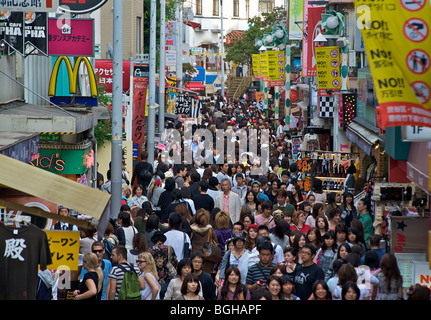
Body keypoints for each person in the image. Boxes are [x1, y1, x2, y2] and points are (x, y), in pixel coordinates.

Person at [147, 231, 178, 299]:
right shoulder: (169, 249)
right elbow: (175, 262)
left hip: (154, 281)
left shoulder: (150, 251)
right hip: (167, 279)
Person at [190, 209, 219, 275]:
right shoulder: (210, 230)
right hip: (208, 257)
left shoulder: (192, 230)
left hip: (195, 257)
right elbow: (216, 242)